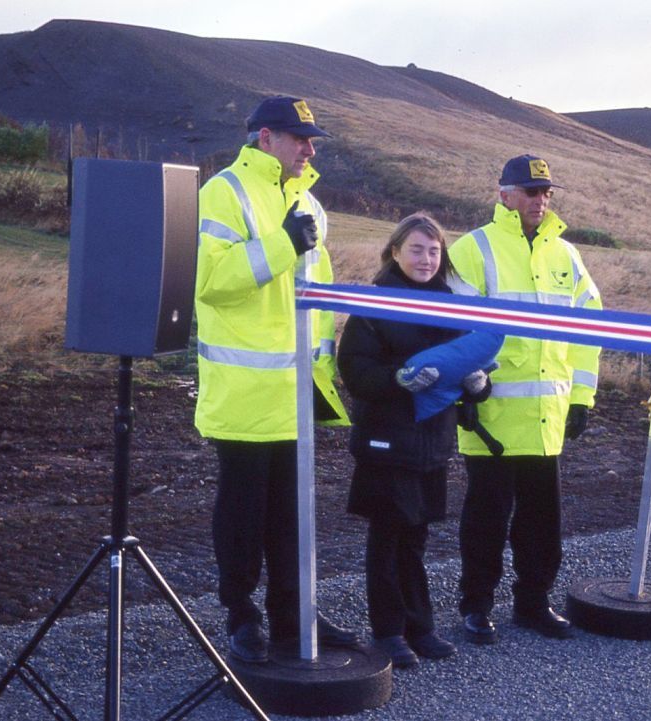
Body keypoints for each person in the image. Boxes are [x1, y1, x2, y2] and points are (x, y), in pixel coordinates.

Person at [194, 95, 356, 664]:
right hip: (244, 396)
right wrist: (285, 242)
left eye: (311, 139)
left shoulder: (307, 200)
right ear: (265, 138)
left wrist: (325, 371)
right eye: (298, 137)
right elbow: (211, 280)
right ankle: (242, 619)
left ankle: (294, 616)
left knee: (292, 517)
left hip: (296, 396)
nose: (309, 148)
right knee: (242, 518)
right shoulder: (224, 192)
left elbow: (320, 296)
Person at [447, 154, 603, 644]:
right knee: (486, 522)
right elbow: (452, 324)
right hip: (491, 417)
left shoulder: (567, 255)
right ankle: (476, 607)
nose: (540, 200)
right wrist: (462, 388)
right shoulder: (473, 248)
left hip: (545, 418)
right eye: (530, 191)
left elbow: (588, 329)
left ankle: (534, 604)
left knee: (541, 524)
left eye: (546, 192)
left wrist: (581, 396)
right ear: (504, 195)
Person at [337, 213, 490, 668]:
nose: (426, 259)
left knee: (416, 536)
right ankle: (388, 632)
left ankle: (419, 627)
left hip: (431, 442)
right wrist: (398, 379)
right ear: (396, 251)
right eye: (417, 249)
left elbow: (467, 365)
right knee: (387, 536)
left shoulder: (452, 306)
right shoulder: (375, 303)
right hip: (386, 439)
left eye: (434, 251)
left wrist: (479, 384)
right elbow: (356, 373)